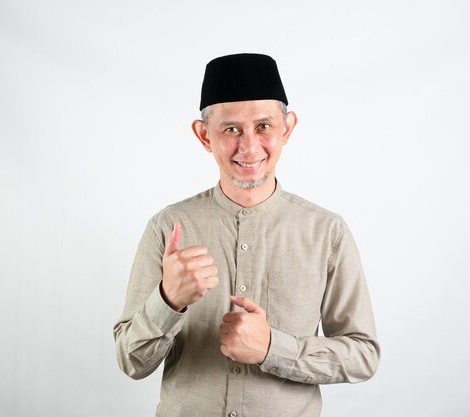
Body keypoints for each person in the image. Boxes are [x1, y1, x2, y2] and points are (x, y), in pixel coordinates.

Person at [114, 53, 380, 417]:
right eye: (231, 129)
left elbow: (362, 356)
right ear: (204, 135)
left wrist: (273, 348)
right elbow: (132, 361)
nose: (250, 147)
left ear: (286, 129)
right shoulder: (167, 227)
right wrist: (169, 300)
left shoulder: (327, 233)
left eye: (263, 126)